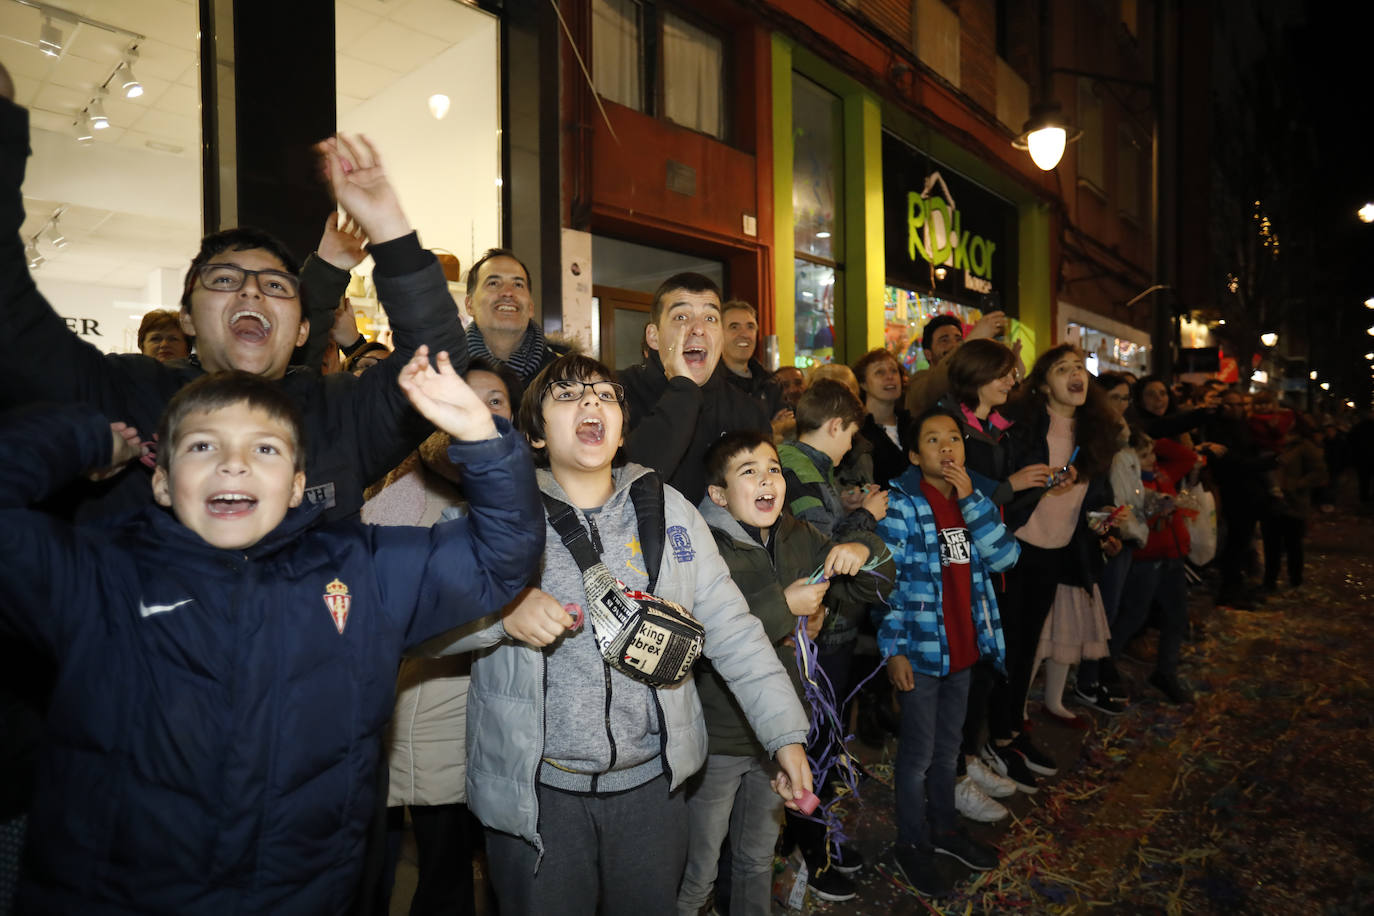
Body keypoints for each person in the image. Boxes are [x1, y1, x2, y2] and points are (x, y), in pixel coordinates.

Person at [0, 356, 547, 913]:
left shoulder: (362, 571)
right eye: (202, 447)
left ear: (297, 486)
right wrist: (87, 438)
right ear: (161, 482)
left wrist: (481, 437)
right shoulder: (94, 574)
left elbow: (499, 556)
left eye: (265, 449)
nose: (234, 465)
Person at [427, 353, 813, 916]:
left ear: (621, 425)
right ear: (533, 433)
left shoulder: (669, 512)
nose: (591, 403)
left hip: (653, 792)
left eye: (605, 396)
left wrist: (784, 734)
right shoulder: (494, 518)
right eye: (568, 396)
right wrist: (500, 617)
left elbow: (735, 631)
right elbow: (421, 621)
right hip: (539, 796)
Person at [0, 95, 464, 524]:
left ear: (302, 331)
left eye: (276, 285)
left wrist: (388, 225)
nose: (251, 292)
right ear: (186, 319)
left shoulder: (339, 412)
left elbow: (438, 362)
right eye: (224, 280)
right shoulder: (124, 391)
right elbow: (17, 331)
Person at [680, 430, 894, 911]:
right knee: (699, 869)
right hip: (718, 738)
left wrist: (862, 549)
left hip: (780, 736)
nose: (766, 479)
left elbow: (875, 584)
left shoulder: (799, 535)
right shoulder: (700, 547)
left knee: (757, 857)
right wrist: (785, 605)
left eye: (773, 468)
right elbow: (703, 633)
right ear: (718, 494)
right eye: (748, 472)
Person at [366, 357, 522, 916]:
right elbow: (390, 614)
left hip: (505, 724)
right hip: (431, 722)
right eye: (471, 396)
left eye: (497, 400)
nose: (483, 408)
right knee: (441, 869)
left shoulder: (529, 493)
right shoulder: (403, 492)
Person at [877, 408, 1020, 898]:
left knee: (948, 752)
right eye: (933, 440)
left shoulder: (971, 500)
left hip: (963, 650)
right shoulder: (904, 503)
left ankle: (944, 829)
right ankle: (911, 842)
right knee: (917, 757)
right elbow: (886, 582)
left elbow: (1006, 557)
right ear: (915, 455)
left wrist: (973, 501)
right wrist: (893, 650)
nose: (947, 447)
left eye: (954, 438)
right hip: (920, 652)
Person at [983, 345, 1117, 790]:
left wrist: (1108, 527)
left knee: (1027, 649)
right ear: (1042, 385)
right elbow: (1003, 490)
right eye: (1062, 369)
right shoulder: (1024, 426)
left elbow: (1097, 499)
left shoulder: (1095, 432)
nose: (1075, 375)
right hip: (1015, 550)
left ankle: (1012, 731)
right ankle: (996, 738)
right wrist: (1039, 486)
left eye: (1080, 368)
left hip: (1057, 552)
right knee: (1007, 649)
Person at [619, 272, 770, 504]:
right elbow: (627, 489)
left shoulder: (747, 410)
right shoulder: (616, 395)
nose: (698, 329)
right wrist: (683, 390)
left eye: (710, 318)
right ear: (654, 336)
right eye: (681, 317)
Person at [1073, 372, 1148, 712]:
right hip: (1096, 535)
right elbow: (1091, 496)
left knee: (1114, 610)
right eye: (1114, 397)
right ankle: (1088, 679)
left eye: (1125, 398)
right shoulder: (1095, 438)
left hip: (1117, 533)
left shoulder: (1122, 439)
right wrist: (1106, 531)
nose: (1121, 405)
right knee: (1100, 612)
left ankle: (1098, 673)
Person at [1113, 428, 1194, 704]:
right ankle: (1104, 669)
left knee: (1177, 616)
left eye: (1151, 454)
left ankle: (1166, 672)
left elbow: (1187, 457)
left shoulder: (1161, 473)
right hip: (1148, 557)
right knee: (1133, 616)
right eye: (1144, 455)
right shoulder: (1130, 483)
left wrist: (1151, 439)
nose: (1151, 459)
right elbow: (1129, 519)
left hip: (1172, 554)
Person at [778, 379, 888, 540]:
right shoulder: (804, 476)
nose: (850, 446)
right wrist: (868, 515)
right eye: (850, 435)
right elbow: (821, 550)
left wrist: (842, 508)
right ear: (835, 427)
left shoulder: (800, 463)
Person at [462, 248, 567, 396]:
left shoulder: (566, 375)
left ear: (531, 307)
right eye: (493, 283)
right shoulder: (443, 371)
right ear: (469, 304)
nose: (508, 292)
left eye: (518, 285)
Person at [1260, 414, 1328, 593]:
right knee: (1271, 544)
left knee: (1293, 544)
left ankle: (1295, 579)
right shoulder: (1269, 442)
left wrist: (1296, 485)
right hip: (1272, 500)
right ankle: (1269, 580)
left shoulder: (1304, 446)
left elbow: (1319, 472)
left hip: (1294, 502)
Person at [903, 310, 1012, 415]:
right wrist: (971, 340)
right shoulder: (919, 381)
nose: (954, 345)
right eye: (944, 340)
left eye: (958, 339)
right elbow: (932, 387)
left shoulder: (969, 383)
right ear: (928, 354)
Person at [720, 299, 788, 423]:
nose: (744, 334)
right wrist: (771, 431)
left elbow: (786, 428)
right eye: (734, 327)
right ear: (718, 334)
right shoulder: (709, 385)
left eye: (750, 327)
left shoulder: (771, 383)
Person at [854, 348, 911, 489]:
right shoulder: (857, 430)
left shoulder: (913, 425)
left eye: (894, 371)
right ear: (863, 384)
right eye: (880, 372)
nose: (890, 377)